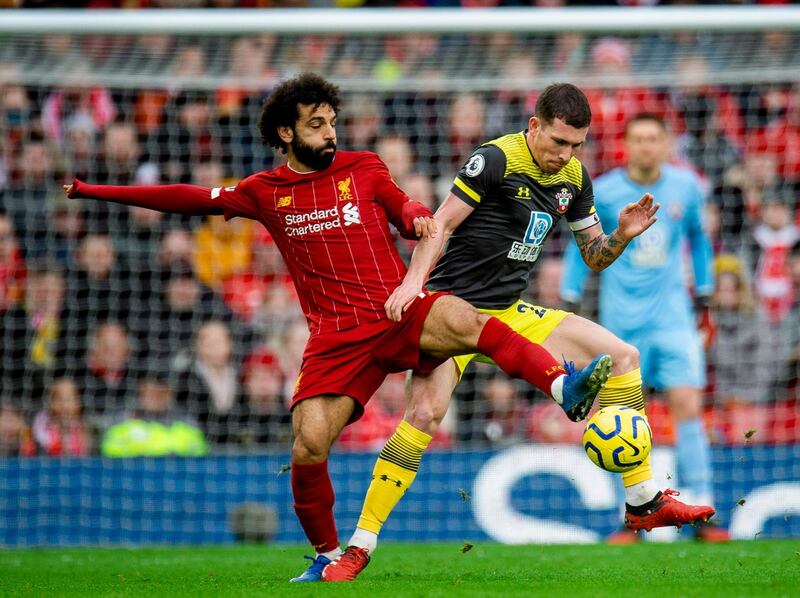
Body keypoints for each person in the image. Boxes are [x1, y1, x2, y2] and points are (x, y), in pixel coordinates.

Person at [65, 73, 612, 583]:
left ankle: (564, 386)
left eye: (332, 121)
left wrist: (416, 216)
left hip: (397, 309)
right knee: (308, 445)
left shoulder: (364, 167)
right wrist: (95, 192)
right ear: (286, 132)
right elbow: (188, 198)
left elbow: (403, 206)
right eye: (317, 124)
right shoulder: (264, 192)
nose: (330, 132)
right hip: (335, 338)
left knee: (468, 318)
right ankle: (328, 556)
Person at [325, 85, 715, 582]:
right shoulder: (494, 160)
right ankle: (359, 547)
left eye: (576, 145)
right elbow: (440, 226)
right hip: (451, 311)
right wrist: (411, 285)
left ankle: (642, 501)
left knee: (623, 356)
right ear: (534, 126)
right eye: (557, 142)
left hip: (509, 312)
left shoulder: (574, 177)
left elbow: (593, 255)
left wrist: (619, 236)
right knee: (422, 417)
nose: (565, 155)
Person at [560, 112, 729, 544]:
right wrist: (570, 297)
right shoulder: (608, 190)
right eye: (638, 138)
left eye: (654, 138)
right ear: (627, 144)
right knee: (626, 421)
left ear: (667, 142)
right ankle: (634, 518)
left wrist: (705, 296)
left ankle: (705, 515)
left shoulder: (687, 186)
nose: (646, 146)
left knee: (688, 407)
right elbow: (584, 246)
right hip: (623, 325)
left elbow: (698, 240)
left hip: (674, 319)